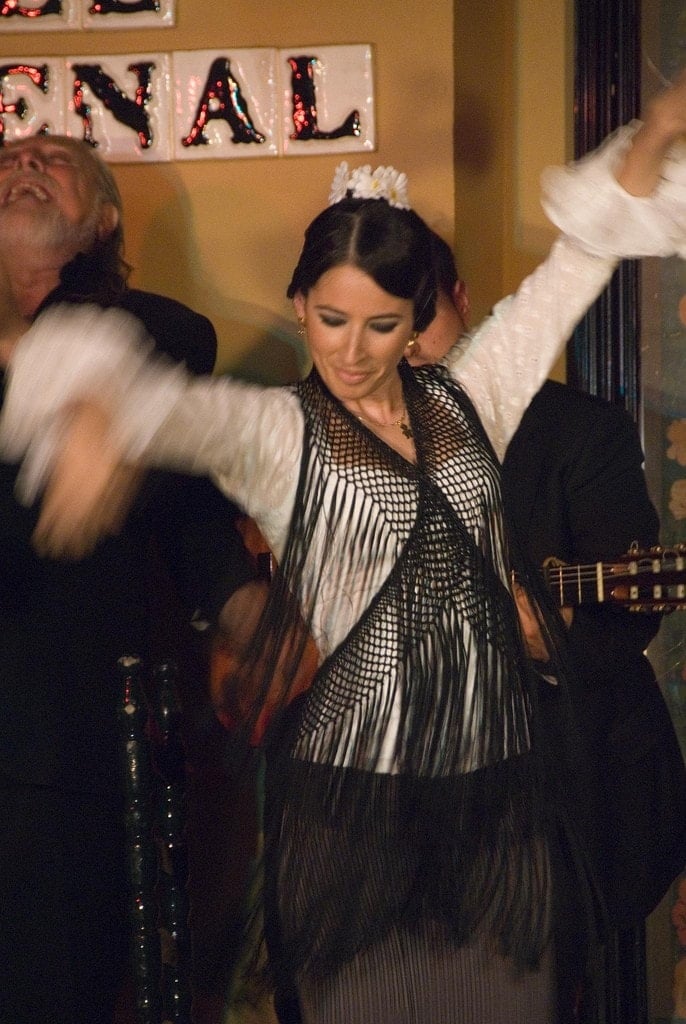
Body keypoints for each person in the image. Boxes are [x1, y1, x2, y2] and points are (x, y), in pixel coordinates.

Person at [3, 76, 686, 1024]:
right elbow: (164, 410)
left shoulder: (470, 398)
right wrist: (91, 422)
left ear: (418, 324)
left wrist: (651, 140)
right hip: (355, 823)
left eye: (382, 325)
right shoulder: (276, 434)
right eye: (330, 321)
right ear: (299, 304)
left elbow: (569, 276)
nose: (354, 352)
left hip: (494, 813)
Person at [0, 135, 260, 1024]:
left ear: (105, 219)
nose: (24, 164)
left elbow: (190, 509)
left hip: (54, 744)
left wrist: (239, 606)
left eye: (55, 160)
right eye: (8, 156)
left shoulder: (157, 331)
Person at [408, 227, 686, 1019]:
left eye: (424, 315)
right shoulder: (347, 432)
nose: (409, 347)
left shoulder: (575, 431)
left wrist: (537, 636)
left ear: (464, 302)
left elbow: (616, 629)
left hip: (553, 781)